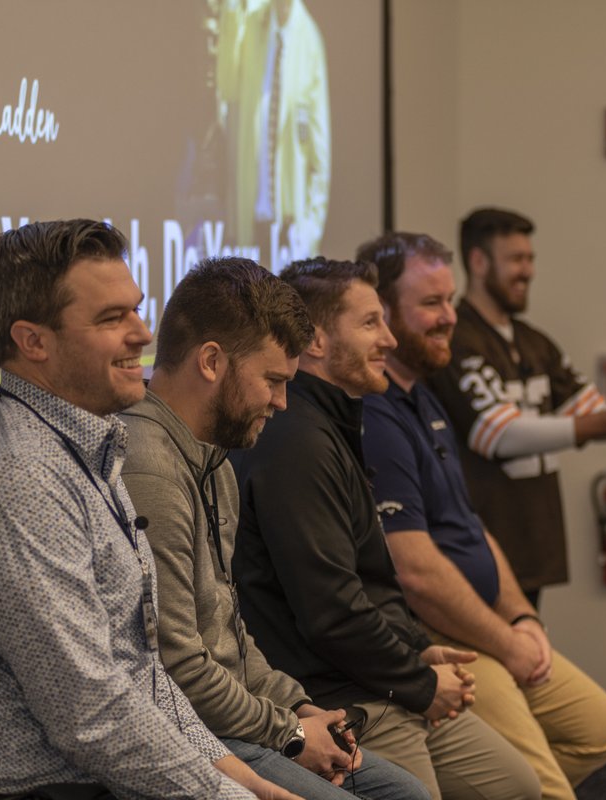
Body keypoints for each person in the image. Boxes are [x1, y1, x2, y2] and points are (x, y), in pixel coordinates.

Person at [0, 220, 287, 800]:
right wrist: (229, 797)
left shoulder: (84, 448)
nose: (143, 333)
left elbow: (142, 675)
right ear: (33, 341)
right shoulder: (18, 475)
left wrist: (245, 782)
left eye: (136, 310)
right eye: (111, 319)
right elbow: (90, 711)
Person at [230, 257, 541, 800]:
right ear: (317, 340)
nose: (390, 340)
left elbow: (371, 580)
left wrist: (419, 651)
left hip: (384, 677)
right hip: (344, 694)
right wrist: (419, 682)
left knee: (517, 786)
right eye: (371, 323)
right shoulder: (299, 442)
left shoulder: (335, 423)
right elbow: (332, 612)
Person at [120, 257, 429, 800]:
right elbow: (177, 666)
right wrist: (289, 732)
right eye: (273, 381)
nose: (282, 402)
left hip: (240, 721)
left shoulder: (213, 460)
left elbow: (231, 636)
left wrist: (300, 708)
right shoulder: (149, 467)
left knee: (405, 793)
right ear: (211, 362)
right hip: (196, 734)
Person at [356, 233, 606, 800]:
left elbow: (470, 526)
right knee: (539, 789)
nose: (450, 317)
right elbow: (414, 571)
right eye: (430, 303)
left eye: (449, 299)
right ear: (382, 314)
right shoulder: (374, 415)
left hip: (491, 623)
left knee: (601, 729)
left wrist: (523, 617)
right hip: (444, 635)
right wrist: (505, 643)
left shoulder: (425, 398)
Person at [427, 208, 606, 606]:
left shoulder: (534, 341)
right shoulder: (458, 342)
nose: (528, 271)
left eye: (530, 259)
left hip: (531, 547)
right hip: (477, 549)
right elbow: (497, 433)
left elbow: (590, 409)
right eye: (516, 259)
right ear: (478, 262)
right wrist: (604, 424)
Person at [216, 0, 330, 262]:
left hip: (289, 231)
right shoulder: (252, 22)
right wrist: (232, 7)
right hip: (250, 224)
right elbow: (228, 85)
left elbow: (319, 149)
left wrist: (309, 232)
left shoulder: (309, 39)